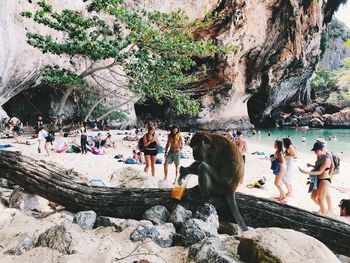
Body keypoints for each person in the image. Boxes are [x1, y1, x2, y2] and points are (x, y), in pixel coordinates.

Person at [299, 142, 332, 214]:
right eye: (314, 151)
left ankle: (324, 215)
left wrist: (307, 172)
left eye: (317, 151)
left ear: (322, 149)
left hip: (324, 180)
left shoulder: (327, 159)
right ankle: (324, 210)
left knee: (320, 199)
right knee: (313, 197)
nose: (315, 153)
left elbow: (320, 172)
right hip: (317, 180)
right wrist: (311, 166)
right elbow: (319, 167)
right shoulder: (320, 157)